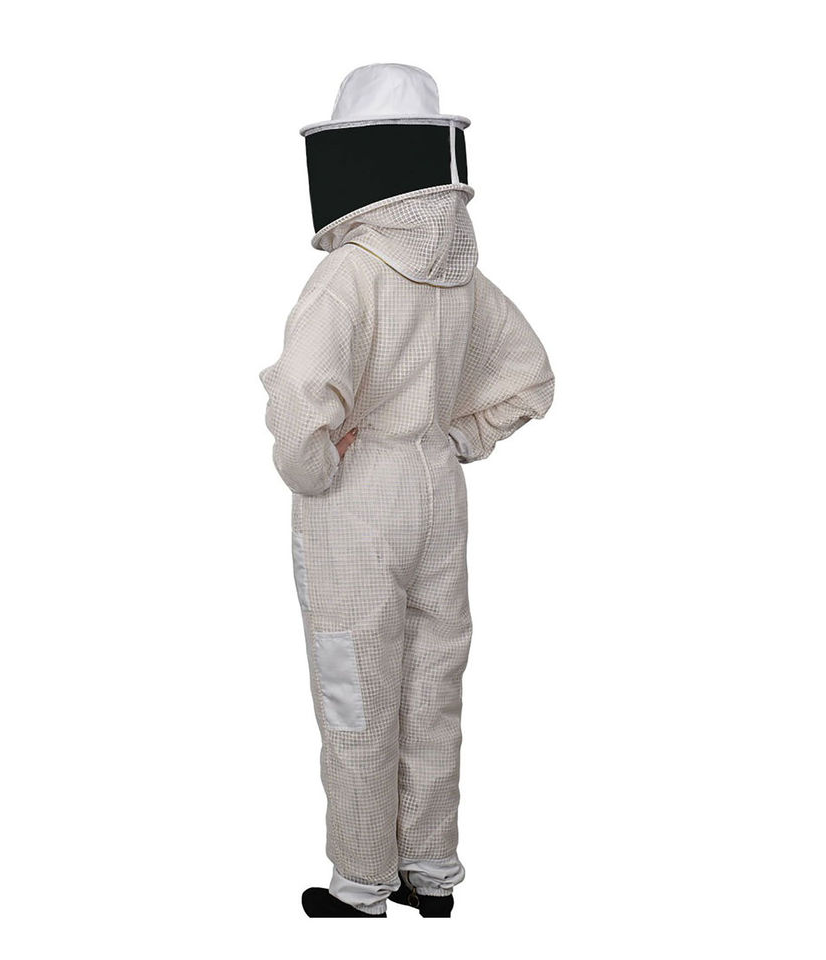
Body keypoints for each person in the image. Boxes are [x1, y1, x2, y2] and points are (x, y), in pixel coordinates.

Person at [259, 63, 555, 918]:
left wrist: (316, 468)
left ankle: (361, 884)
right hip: (437, 492)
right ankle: (430, 870)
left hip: (359, 501)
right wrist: (458, 438)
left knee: (356, 683)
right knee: (432, 683)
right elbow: (530, 377)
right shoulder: (461, 272)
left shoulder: (351, 273)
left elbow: (299, 403)